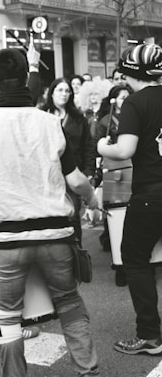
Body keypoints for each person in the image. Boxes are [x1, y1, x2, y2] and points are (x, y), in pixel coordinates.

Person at [0, 47, 100, 377]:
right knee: (70, 303)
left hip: (5, 240)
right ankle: (88, 371)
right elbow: (76, 180)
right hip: (55, 235)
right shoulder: (50, 122)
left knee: (8, 317)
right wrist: (93, 199)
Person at [97, 43, 162, 356]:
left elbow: (124, 150)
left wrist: (101, 147)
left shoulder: (136, 103)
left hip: (151, 193)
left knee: (135, 259)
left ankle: (150, 335)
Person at [42, 78, 95, 241]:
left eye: (67, 91)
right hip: (47, 175)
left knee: (72, 217)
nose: (64, 94)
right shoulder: (42, 117)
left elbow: (88, 146)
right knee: (49, 218)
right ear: (51, 93)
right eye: (60, 90)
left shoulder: (79, 118)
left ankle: (76, 253)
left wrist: (88, 171)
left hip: (73, 173)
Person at [94, 84, 132, 286]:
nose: (123, 100)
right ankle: (119, 265)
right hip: (115, 172)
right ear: (113, 100)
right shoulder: (105, 122)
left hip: (134, 170)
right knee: (116, 217)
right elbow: (97, 147)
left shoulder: (136, 117)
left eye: (127, 96)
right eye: (120, 97)